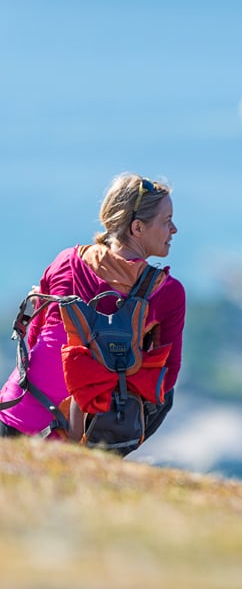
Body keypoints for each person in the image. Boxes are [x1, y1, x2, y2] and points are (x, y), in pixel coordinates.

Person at [0, 173, 185, 445]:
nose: (174, 230)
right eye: (166, 221)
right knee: (162, 395)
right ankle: (101, 441)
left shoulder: (66, 260)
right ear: (137, 228)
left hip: (13, 410)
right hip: (65, 435)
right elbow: (166, 379)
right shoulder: (166, 291)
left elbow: (35, 336)